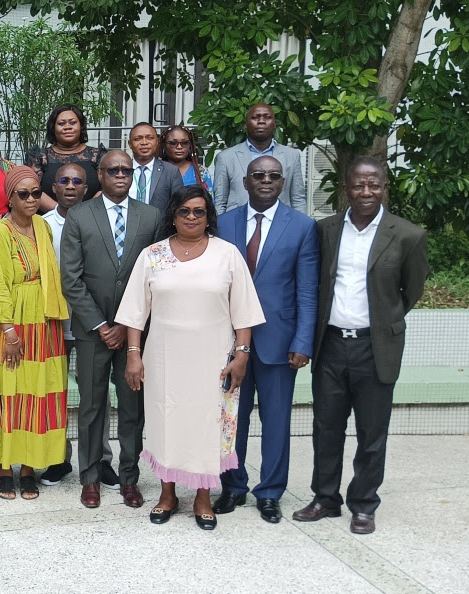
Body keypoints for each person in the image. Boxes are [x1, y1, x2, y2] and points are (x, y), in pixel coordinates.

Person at [115, 186, 265, 530]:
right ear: (173, 215)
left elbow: (244, 310)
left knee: (206, 426)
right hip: (164, 359)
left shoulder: (227, 255)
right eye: (185, 211)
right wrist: (133, 357)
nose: (192, 217)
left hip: (214, 360)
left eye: (199, 211)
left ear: (208, 216)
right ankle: (167, 494)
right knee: (166, 424)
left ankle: (202, 497)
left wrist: (242, 354)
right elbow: (135, 313)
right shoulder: (153, 255)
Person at [292, 157, 428, 535]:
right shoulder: (326, 230)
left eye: (374, 185)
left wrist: (383, 320)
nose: (366, 192)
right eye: (358, 185)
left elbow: (410, 291)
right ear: (346, 188)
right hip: (331, 345)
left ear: (385, 187)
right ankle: (325, 497)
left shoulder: (408, 235)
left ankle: (364, 504)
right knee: (326, 427)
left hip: (375, 348)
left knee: (372, 432)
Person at [213, 156, 320, 523]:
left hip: (280, 342)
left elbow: (307, 291)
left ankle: (271, 492)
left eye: (274, 176)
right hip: (230, 344)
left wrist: (303, 342)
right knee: (231, 421)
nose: (266, 181)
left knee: (276, 422)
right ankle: (233, 487)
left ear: (283, 181)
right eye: (258, 175)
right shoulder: (223, 223)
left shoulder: (303, 227)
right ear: (245, 181)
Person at [59, 151, 162, 509]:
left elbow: (156, 275)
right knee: (91, 406)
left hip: (135, 333)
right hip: (92, 332)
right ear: (99, 175)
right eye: (113, 170)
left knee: (133, 408)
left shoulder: (150, 217)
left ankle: (129, 479)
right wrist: (102, 325)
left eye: (126, 170)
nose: (121, 175)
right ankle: (89, 477)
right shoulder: (79, 216)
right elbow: (70, 280)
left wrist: (126, 324)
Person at [0, 165, 70, 501]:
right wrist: (10, 332)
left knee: (37, 392)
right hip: (11, 322)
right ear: (10, 198)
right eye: (24, 194)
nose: (32, 199)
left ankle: (29, 466)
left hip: (43, 321)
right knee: (8, 392)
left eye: (36, 192)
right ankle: (4, 468)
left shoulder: (43, 227)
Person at [38, 162, 109, 488]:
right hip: (52, 323)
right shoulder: (42, 226)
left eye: (76, 181)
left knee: (96, 394)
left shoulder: (101, 221)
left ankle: (101, 459)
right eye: (63, 181)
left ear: (86, 189)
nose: (69, 186)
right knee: (53, 393)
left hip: (90, 323)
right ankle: (57, 458)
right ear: (53, 188)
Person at [212, 103, 306, 213]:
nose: (261, 121)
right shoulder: (226, 157)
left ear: (275, 124)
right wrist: (221, 228)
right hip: (238, 225)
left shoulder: (291, 156)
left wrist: (300, 228)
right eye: (255, 117)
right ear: (245, 124)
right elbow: (220, 202)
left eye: (267, 117)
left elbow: (298, 199)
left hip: (281, 225)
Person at [29, 104, 104, 211]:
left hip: (91, 218)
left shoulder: (97, 156)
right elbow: (33, 190)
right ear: (53, 128)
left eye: (73, 123)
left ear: (81, 126)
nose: (68, 127)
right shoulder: (39, 157)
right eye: (61, 123)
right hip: (49, 220)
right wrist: (61, 214)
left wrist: (85, 214)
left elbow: (106, 189)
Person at [127, 122, 180, 214]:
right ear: (130, 144)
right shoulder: (121, 170)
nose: (144, 143)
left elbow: (178, 206)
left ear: (157, 141)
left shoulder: (171, 171)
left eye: (150, 138)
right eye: (138, 139)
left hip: (159, 227)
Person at [159, 124, 213, 194]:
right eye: (173, 143)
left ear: (190, 145)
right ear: (164, 145)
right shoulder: (155, 169)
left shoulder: (201, 171)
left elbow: (209, 200)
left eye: (184, 143)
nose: (179, 147)